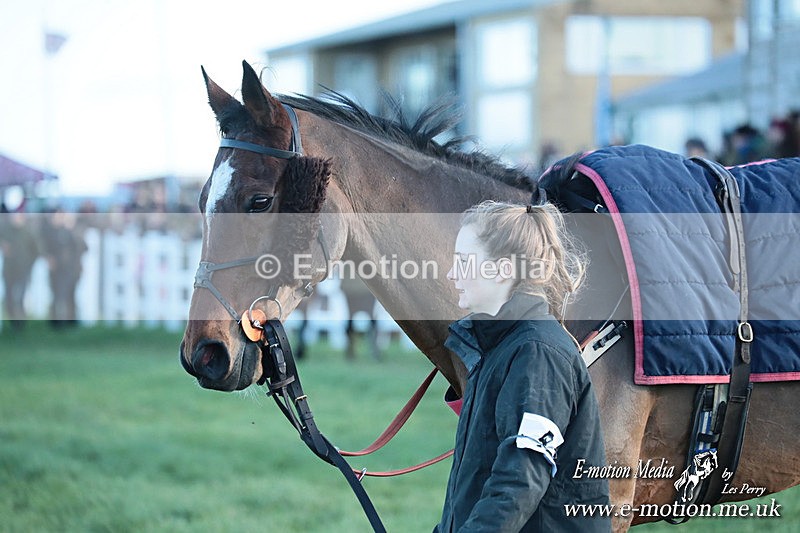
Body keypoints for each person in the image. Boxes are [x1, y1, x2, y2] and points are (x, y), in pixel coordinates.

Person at [435, 201, 610, 532]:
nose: (451, 273)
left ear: (502, 269)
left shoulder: (537, 353)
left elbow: (520, 480)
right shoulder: (502, 346)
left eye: (463, 262)